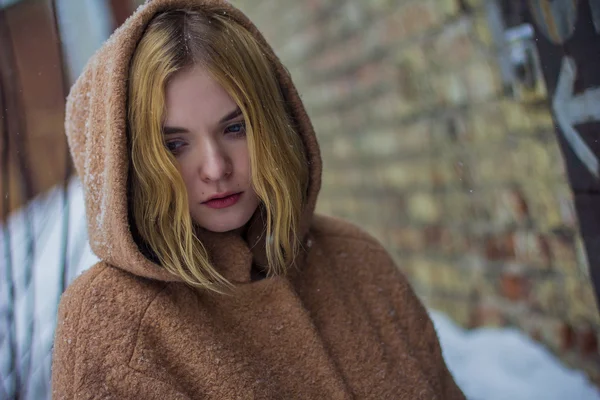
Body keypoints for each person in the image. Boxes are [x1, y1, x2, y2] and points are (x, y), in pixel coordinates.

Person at [51, 0, 465, 398]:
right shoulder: (112, 321)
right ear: (130, 160)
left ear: (273, 123)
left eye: (235, 128)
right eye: (174, 145)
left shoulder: (355, 259)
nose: (215, 168)